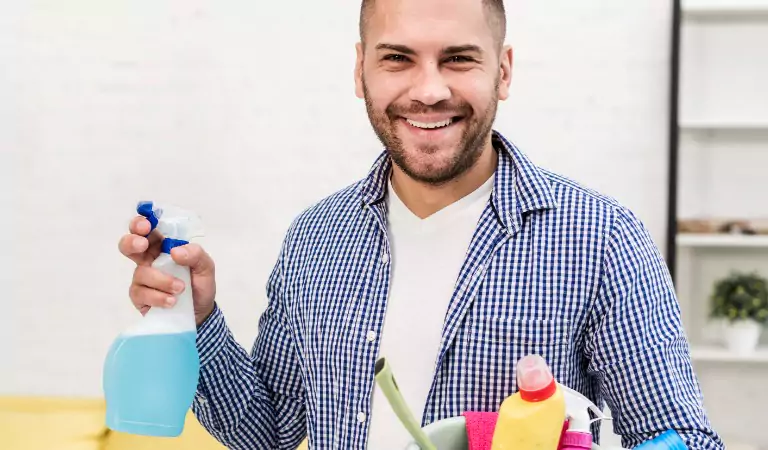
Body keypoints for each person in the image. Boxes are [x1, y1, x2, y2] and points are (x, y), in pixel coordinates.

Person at [118, 0, 724, 448]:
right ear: (361, 70)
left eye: (458, 59)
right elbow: (267, 431)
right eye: (397, 59)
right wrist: (196, 317)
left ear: (503, 71)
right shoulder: (315, 238)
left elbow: (683, 439)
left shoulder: (602, 237)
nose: (429, 90)